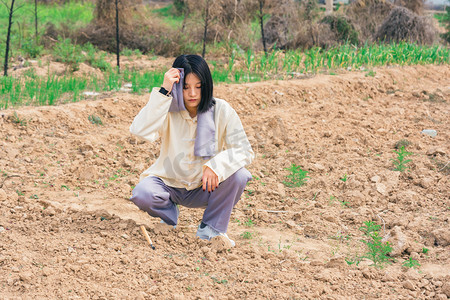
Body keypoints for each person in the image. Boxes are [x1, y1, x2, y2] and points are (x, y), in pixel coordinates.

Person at [129, 54, 254, 246]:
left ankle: (211, 229)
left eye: (199, 86)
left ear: (207, 85)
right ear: (178, 86)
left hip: (205, 187)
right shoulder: (167, 108)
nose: (193, 94)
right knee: (142, 193)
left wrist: (216, 166)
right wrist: (164, 91)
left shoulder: (222, 110)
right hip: (170, 184)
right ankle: (169, 214)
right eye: (186, 87)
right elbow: (139, 130)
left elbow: (243, 149)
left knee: (240, 175)